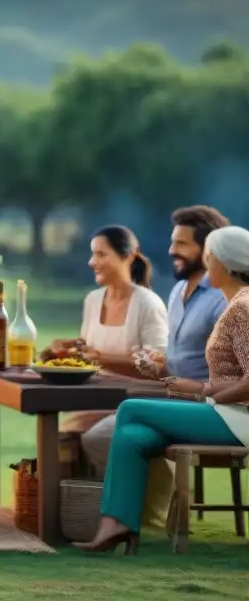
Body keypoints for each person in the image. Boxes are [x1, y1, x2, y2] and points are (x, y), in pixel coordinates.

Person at [74, 224, 249, 554]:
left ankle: (121, 519)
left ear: (225, 264)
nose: (205, 262)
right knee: (132, 436)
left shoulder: (242, 308)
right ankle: (116, 525)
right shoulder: (235, 304)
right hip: (223, 411)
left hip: (237, 419)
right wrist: (191, 383)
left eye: (209, 257)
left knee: (131, 409)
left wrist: (202, 392)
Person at [82, 207, 231, 470]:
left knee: (123, 417)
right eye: (173, 242)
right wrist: (154, 362)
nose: (172, 250)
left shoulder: (224, 299)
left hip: (203, 407)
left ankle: (146, 509)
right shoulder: (177, 292)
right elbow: (172, 361)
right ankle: (124, 513)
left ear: (208, 249)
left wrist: (198, 388)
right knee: (107, 437)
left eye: (182, 244)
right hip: (170, 397)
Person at [57, 226, 169, 520]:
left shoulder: (148, 303)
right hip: (96, 398)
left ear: (128, 257)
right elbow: (87, 347)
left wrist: (101, 357)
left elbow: (156, 363)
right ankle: (78, 513)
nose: (92, 261)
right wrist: (67, 349)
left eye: (100, 254)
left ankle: (127, 510)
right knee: (58, 438)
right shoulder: (93, 300)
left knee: (95, 437)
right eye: (92, 254)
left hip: (137, 400)